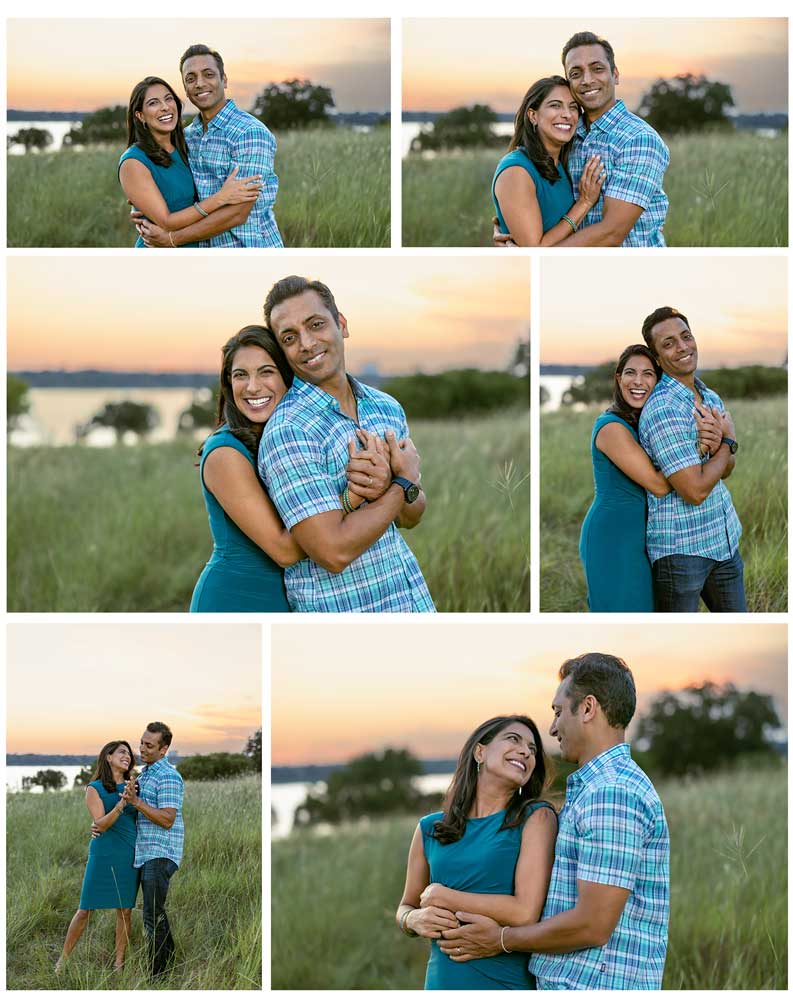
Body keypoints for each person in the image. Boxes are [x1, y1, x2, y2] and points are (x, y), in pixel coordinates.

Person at [439, 653, 670, 991]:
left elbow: (593, 925)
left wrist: (502, 939)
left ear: (588, 709)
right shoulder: (596, 788)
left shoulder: (611, 793)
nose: (552, 727)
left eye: (559, 712)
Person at [258, 275, 435, 613]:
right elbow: (332, 552)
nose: (307, 344)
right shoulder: (289, 430)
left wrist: (396, 486)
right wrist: (399, 485)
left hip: (411, 602)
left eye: (316, 324)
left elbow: (412, 516)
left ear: (342, 324)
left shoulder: (386, 407)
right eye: (290, 338)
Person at [190, 325, 393, 612]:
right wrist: (353, 497)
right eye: (240, 375)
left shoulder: (284, 438)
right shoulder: (226, 453)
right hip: (236, 599)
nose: (252, 387)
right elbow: (285, 550)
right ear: (228, 384)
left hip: (285, 600)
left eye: (266, 371)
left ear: (288, 377)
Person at [397, 716, 557, 989]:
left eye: (532, 749)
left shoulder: (536, 818)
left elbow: (524, 912)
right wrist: (413, 919)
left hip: (503, 982)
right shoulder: (429, 828)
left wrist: (443, 896)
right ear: (480, 752)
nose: (526, 752)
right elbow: (406, 905)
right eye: (514, 739)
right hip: (441, 982)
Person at [579, 344, 721, 612]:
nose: (638, 381)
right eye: (630, 373)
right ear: (618, 378)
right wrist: (700, 447)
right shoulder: (611, 427)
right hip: (613, 537)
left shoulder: (642, 421)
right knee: (622, 609)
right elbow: (658, 485)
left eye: (648, 374)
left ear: (658, 381)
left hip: (641, 537)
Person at [496, 31, 669, 248]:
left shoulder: (639, 139)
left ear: (615, 74)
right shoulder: (567, 137)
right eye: (576, 74)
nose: (587, 80)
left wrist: (535, 256)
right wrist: (507, 227)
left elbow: (611, 233)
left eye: (597, 69)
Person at [639, 307, 745, 611]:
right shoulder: (663, 409)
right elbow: (694, 490)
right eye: (669, 343)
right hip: (682, 554)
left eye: (686, 337)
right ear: (657, 357)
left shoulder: (710, 397)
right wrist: (727, 441)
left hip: (723, 539)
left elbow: (726, 472)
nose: (683, 347)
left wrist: (722, 450)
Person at [136, 44, 283, 248]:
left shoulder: (250, 133)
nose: (199, 83)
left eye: (208, 74)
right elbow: (168, 184)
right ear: (185, 89)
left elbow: (237, 214)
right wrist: (144, 206)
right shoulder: (187, 137)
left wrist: (172, 239)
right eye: (191, 78)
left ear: (224, 80)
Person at [118, 76, 263, 249]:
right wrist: (220, 198)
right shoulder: (133, 161)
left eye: (168, 98)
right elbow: (167, 221)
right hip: (160, 248)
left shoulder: (188, 144)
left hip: (197, 247)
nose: (165, 107)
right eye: (153, 103)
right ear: (140, 115)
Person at [56, 740, 139, 974]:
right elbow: (100, 825)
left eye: (129, 753)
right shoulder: (94, 788)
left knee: (125, 911)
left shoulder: (136, 786)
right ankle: (63, 961)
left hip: (128, 854)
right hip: (103, 853)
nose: (128, 755)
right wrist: (123, 803)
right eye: (122, 752)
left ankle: (119, 964)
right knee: (85, 909)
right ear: (108, 757)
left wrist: (133, 798)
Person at [492, 76, 605, 246]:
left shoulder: (562, 164)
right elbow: (534, 250)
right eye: (555, 105)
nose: (567, 115)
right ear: (533, 116)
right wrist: (584, 203)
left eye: (573, 108)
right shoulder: (516, 171)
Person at [119, 723, 184, 978]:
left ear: (164, 749)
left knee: (151, 913)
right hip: (146, 852)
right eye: (142, 743)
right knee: (152, 912)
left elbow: (167, 819)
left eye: (149, 745)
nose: (142, 749)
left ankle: (158, 976)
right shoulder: (145, 775)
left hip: (161, 852)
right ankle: (168, 962)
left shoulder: (167, 776)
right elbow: (138, 813)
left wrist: (137, 801)